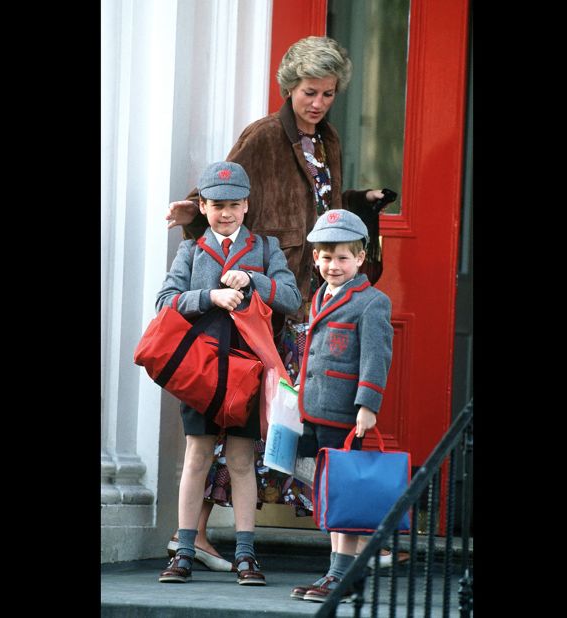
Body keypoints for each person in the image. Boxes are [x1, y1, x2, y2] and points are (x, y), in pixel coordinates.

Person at [163, 34, 392, 561]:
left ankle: (348, 532)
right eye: (310, 92)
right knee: (238, 411)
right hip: (258, 298)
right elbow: (224, 197)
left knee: (293, 418)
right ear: (290, 87)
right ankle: (194, 534)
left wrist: (361, 203)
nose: (318, 103)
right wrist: (192, 221)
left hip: (309, 294)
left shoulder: (329, 140)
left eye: (329, 94)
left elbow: (322, 205)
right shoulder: (263, 137)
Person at [155, 161, 301, 585]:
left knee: (240, 460)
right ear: (202, 205)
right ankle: (183, 550)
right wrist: (209, 296)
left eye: (234, 205)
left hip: (248, 370)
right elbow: (166, 301)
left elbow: (290, 296)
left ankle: (245, 555)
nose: (225, 213)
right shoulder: (192, 250)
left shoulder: (266, 248)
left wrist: (253, 279)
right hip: (200, 371)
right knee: (197, 456)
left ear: (246, 205)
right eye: (217, 205)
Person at [289, 209, 394, 603]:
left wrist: (367, 403)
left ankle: (341, 574)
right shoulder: (319, 296)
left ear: (361, 258)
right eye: (327, 257)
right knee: (329, 496)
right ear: (315, 258)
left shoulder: (371, 302)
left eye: (343, 258)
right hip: (314, 409)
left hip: (345, 414)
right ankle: (338, 572)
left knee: (344, 495)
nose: (334, 266)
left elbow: (376, 356)